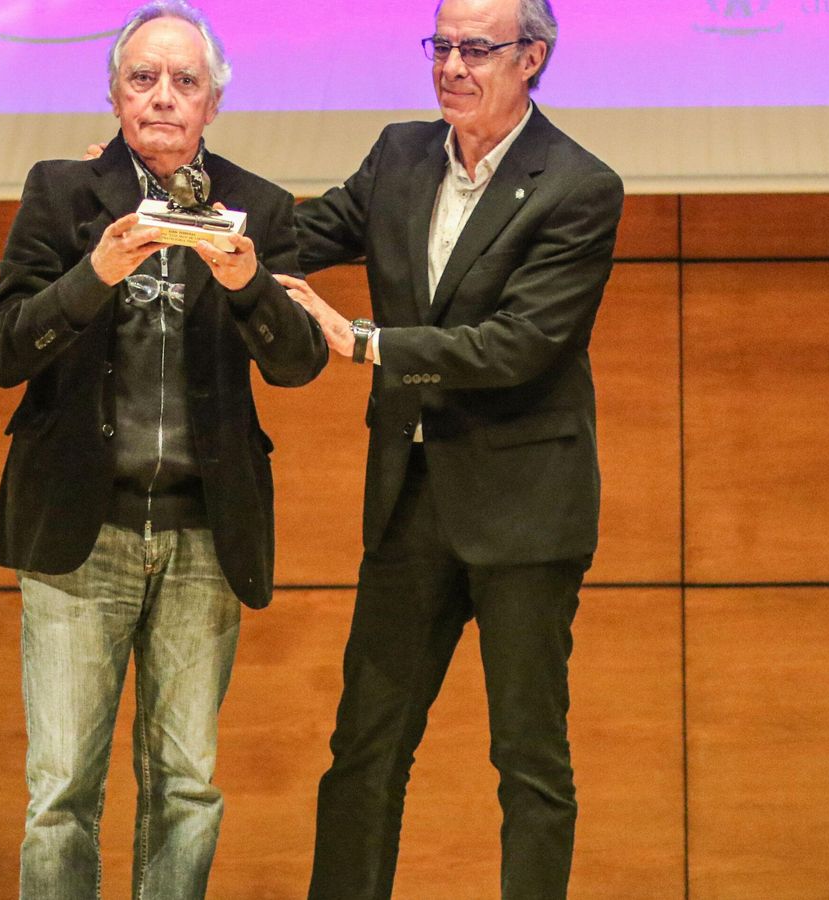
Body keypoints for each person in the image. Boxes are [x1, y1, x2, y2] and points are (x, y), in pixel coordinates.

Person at [0, 1, 327, 896]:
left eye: (184, 82)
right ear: (114, 96)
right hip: (78, 533)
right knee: (60, 793)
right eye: (143, 79)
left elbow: (297, 365)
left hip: (205, 533)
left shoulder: (263, 209)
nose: (163, 98)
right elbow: (1, 352)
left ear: (213, 103)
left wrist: (251, 285)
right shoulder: (63, 194)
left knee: (187, 788)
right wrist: (92, 274)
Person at [275, 0, 624, 897]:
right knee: (364, 751)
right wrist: (170, 194)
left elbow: (518, 346)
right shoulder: (399, 155)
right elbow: (293, 238)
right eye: (442, 45)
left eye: (478, 48)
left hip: (523, 512)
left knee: (529, 763)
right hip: (409, 498)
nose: (453, 66)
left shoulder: (578, 186)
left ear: (533, 58)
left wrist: (371, 343)